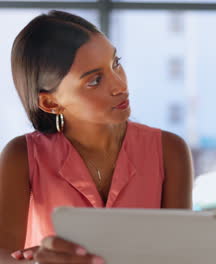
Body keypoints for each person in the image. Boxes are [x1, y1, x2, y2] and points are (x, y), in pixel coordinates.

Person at [0, 10, 193, 264]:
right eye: (95, 81)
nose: (119, 86)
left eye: (116, 63)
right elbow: (3, 253)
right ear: (50, 102)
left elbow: (182, 255)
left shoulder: (170, 150)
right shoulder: (21, 156)